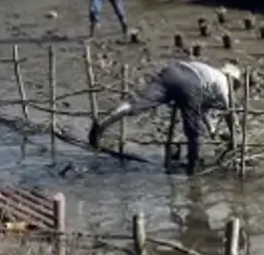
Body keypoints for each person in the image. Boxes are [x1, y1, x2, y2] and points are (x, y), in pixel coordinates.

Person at [88, 58, 243, 174]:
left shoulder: (209, 72)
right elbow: (230, 112)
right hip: (192, 84)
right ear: (232, 79)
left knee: (140, 102)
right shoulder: (224, 82)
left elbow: (205, 112)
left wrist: (213, 130)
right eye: (236, 85)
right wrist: (234, 135)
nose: (235, 88)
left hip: (173, 71)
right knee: (193, 132)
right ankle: (192, 168)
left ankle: (107, 119)